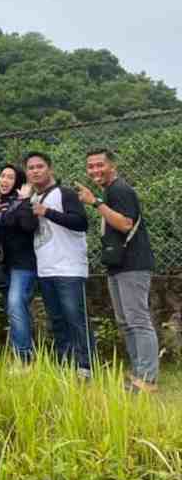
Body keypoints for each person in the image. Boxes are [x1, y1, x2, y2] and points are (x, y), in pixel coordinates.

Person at [78, 149, 158, 393]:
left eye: (99, 165)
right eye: (90, 166)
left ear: (112, 165)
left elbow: (125, 224)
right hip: (118, 265)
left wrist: (95, 202)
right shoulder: (110, 191)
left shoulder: (119, 190)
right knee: (126, 322)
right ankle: (138, 373)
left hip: (133, 264)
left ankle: (147, 378)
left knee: (138, 320)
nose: (94, 170)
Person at [24, 151, 95, 378]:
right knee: (57, 320)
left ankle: (85, 367)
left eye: (39, 166)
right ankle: (64, 364)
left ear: (50, 169)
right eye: (31, 168)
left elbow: (81, 223)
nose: (35, 171)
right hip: (45, 269)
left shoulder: (64, 194)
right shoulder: (33, 199)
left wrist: (48, 212)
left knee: (75, 318)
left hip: (69, 268)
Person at [0, 164, 38, 362]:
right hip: (6, 265)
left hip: (24, 263)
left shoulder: (24, 202)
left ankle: (23, 357)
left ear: (18, 182)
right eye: (2, 176)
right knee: (16, 309)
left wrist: (25, 200)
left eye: (10, 177)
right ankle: (25, 351)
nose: (4, 180)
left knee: (16, 305)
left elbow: (29, 226)